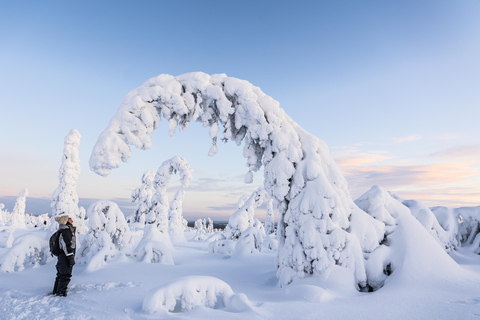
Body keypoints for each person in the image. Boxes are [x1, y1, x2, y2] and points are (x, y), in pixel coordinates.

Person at [52, 214, 76, 297]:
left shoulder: (62, 231)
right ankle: (61, 293)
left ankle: (56, 291)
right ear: (65, 222)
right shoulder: (66, 232)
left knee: (60, 274)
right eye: (69, 219)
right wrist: (70, 258)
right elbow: (67, 246)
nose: (71, 220)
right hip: (65, 256)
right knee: (65, 275)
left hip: (61, 256)